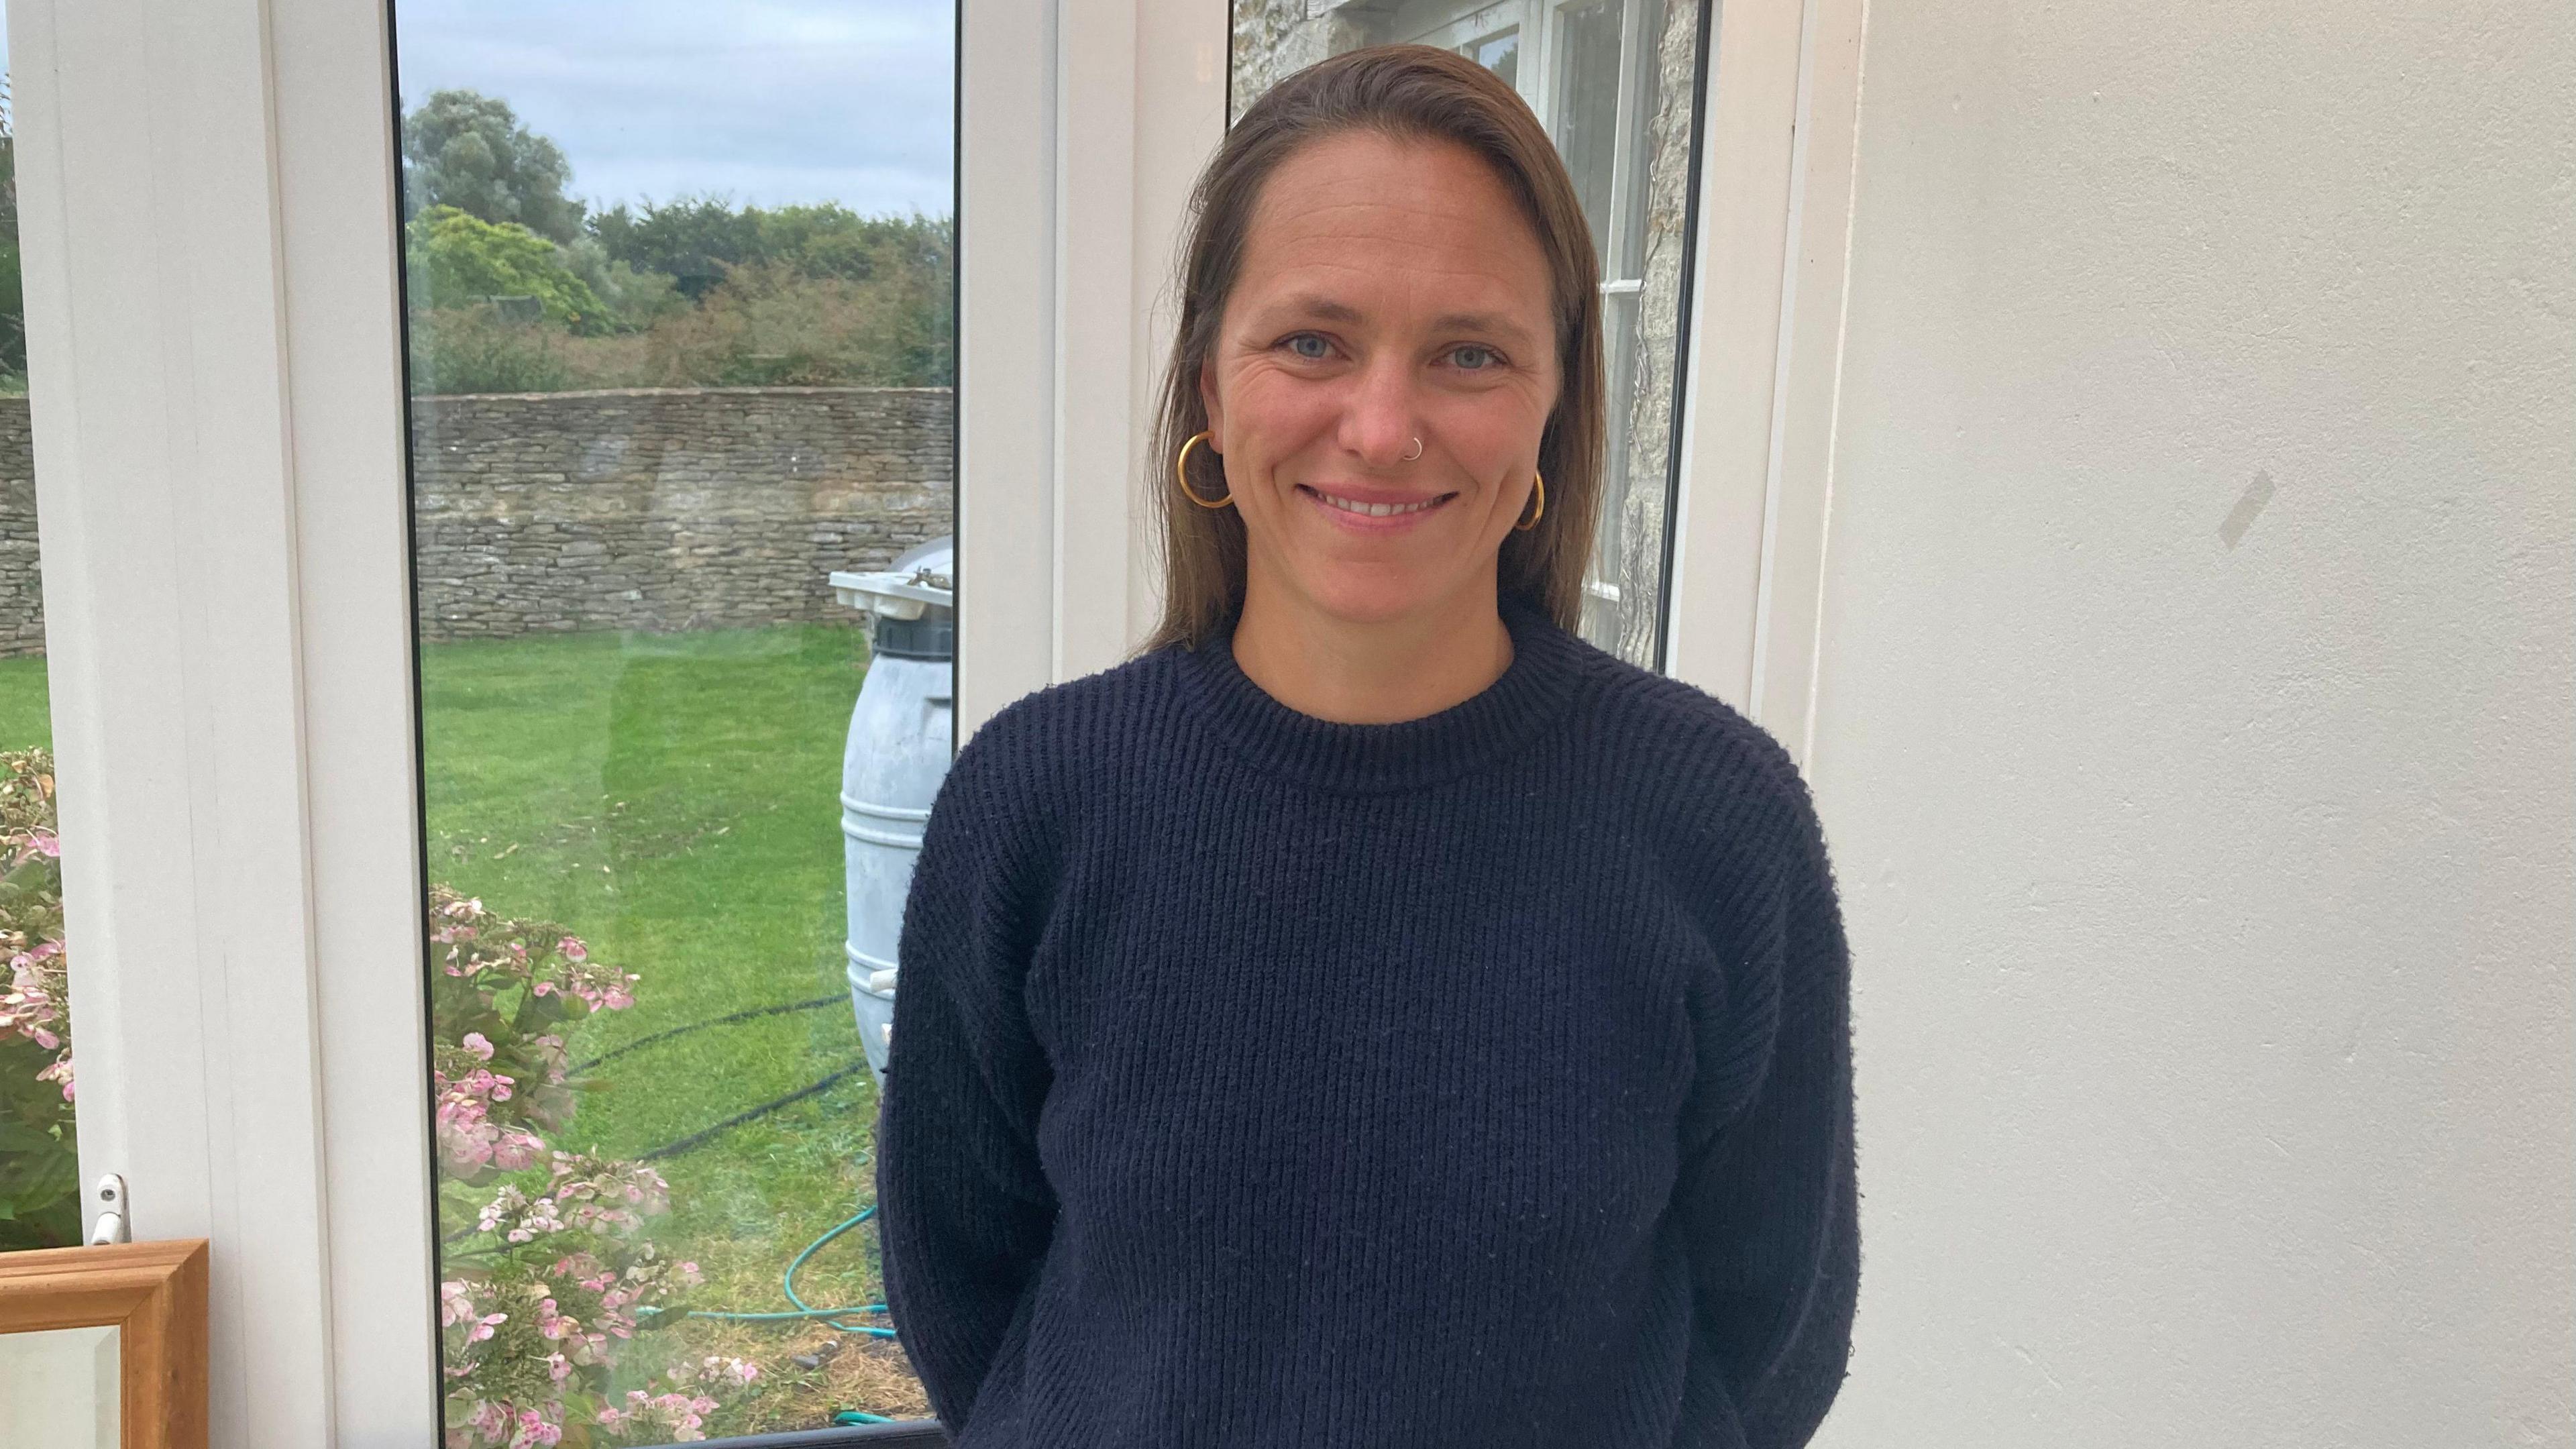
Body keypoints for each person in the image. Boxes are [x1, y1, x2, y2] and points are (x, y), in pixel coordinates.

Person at [875, 43, 1858, 1448]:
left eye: (1470, 352)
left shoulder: (1713, 822)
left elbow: (1776, 1330)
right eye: (1313, 341)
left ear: (1553, 402)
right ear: (1211, 388)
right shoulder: (1038, 805)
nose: (1384, 429)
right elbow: (962, 1288)